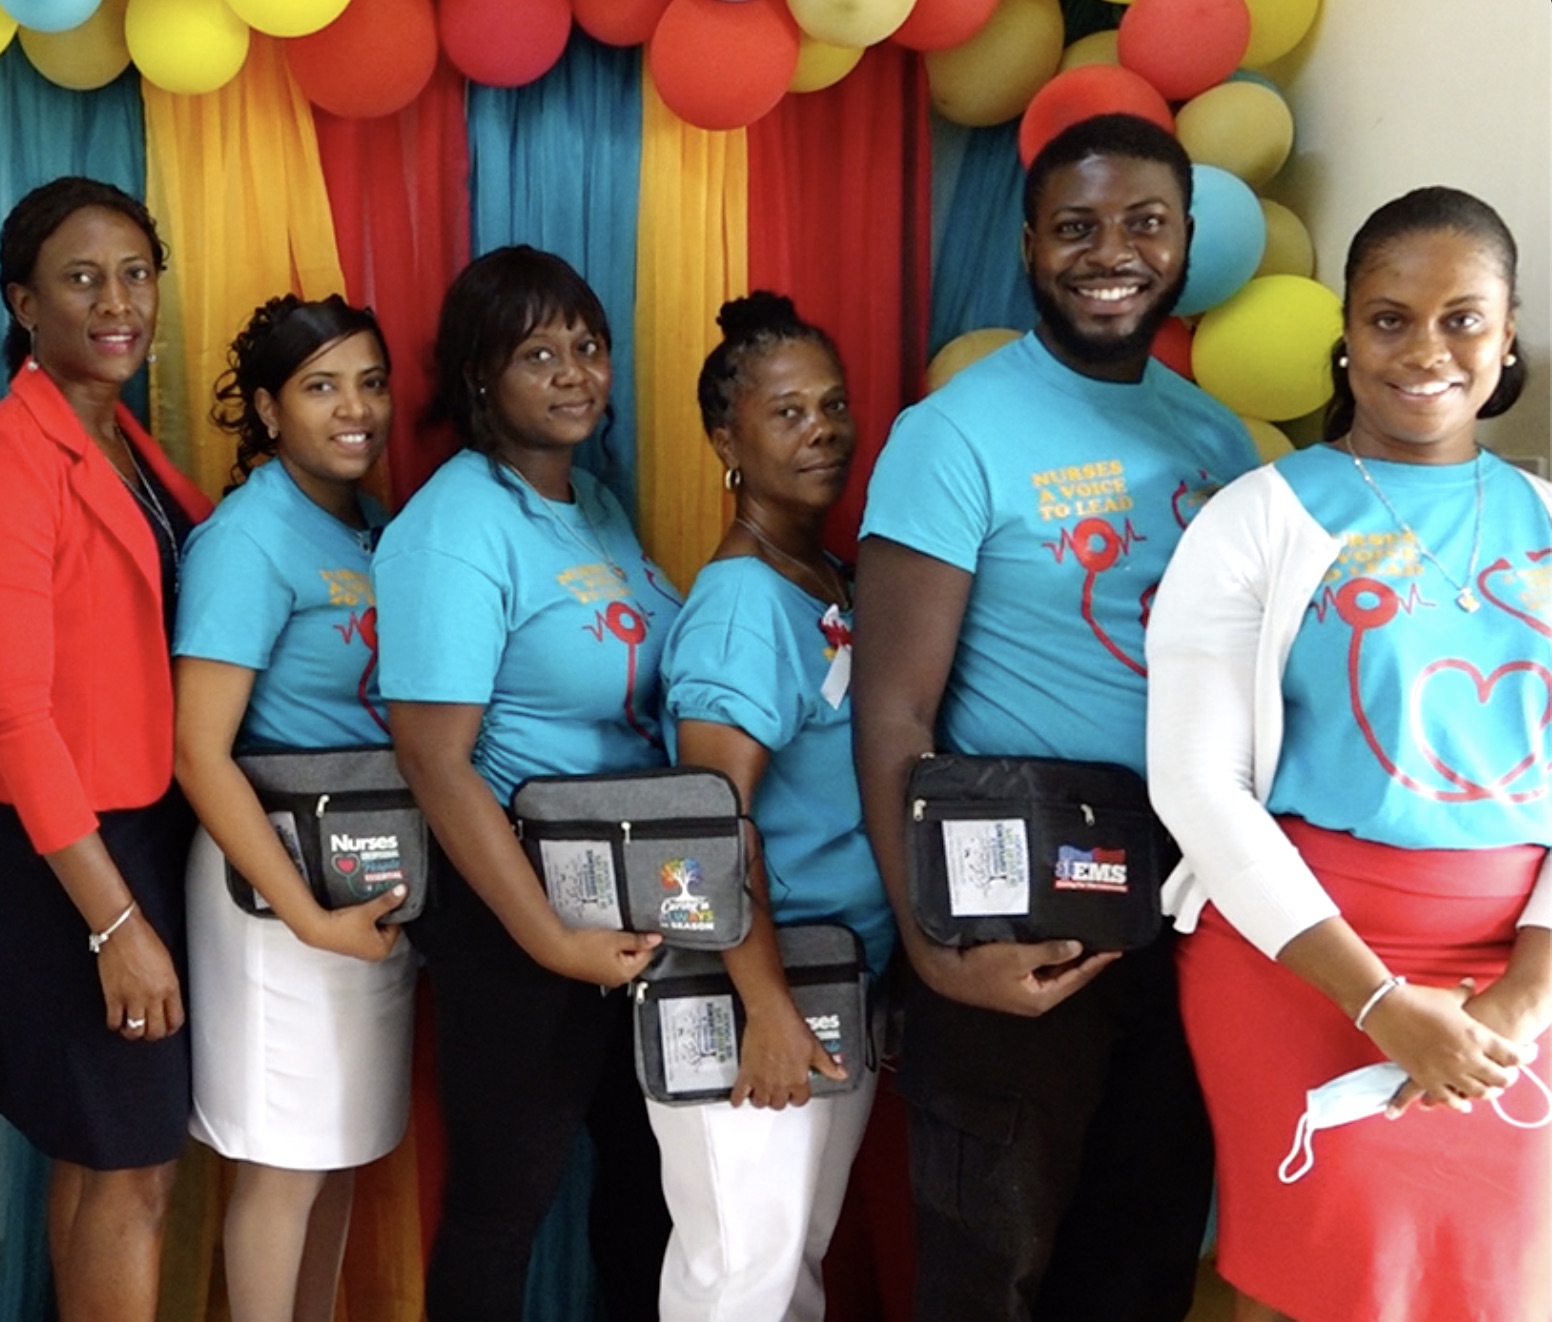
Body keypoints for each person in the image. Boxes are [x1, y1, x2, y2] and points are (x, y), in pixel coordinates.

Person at [850, 114, 1256, 1321]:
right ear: (1029, 244)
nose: (1111, 252)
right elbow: (892, 705)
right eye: (1076, 226)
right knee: (989, 1270)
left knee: (1140, 1259)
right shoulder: (953, 433)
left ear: (1185, 241)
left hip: (1188, 904)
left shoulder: (1216, 437)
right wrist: (932, 943)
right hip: (1017, 909)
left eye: (1145, 223)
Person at [1147, 186, 1551, 1322]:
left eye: (1462, 319)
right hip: (1302, 963)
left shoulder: (1546, 517)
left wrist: (1525, 996)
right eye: (1389, 319)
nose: (1425, 351)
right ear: (1346, 331)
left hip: (1522, 972)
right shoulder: (1259, 518)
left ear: (1507, 335)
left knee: (1500, 1287)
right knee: (1317, 1280)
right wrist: (1376, 1001)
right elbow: (1197, 784)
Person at [373, 244, 679, 1322]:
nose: (573, 373)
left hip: (632, 897)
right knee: (503, 1208)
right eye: (537, 354)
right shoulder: (454, 525)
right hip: (517, 912)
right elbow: (432, 758)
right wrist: (552, 940)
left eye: (587, 346)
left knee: (646, 1193)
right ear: (478, 377)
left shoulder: (595, 505)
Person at [0, 176, 212, 1322]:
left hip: (144, 820)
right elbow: (11, 713)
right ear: (23, 301)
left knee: (103, 1150)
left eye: (135, 274)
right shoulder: (6, 452)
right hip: (71, 845)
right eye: (83, 278)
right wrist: (113, 921)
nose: (117, 302)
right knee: (131, 1163)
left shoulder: (127, 441)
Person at [170, 293, 417, 1322]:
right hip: (272, 886)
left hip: (369, 868)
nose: (354, 408)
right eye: (321, 387)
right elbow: (197, 750)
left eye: (370, 382)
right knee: (284, 1165)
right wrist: (307, 916)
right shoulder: (249, 538)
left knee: (340, 1152)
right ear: (269, 410)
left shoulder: (379, 529)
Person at [650, 291, 893, 1322]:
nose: (821, 429)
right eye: (787, 412)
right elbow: (710, 824)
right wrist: (767, 1009)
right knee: (740, 1279)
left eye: (832, 405)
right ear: (727, 441)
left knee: (790, 1268)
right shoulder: (743, 603)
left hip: (837, 974)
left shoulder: (825, 578)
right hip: (756, 991)